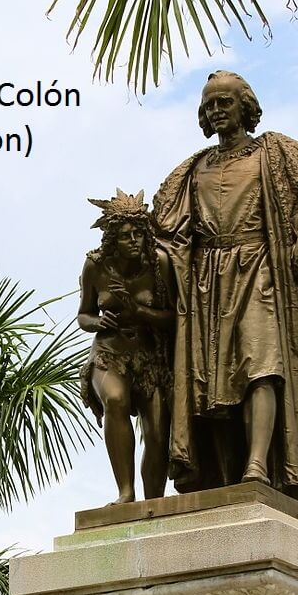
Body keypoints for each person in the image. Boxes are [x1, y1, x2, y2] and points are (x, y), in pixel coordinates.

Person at [152, 71, 298, 510]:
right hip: (206, 281)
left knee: (262, 364)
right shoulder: (192, 170)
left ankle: (257, 465)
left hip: (260, 269)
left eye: (225, 103)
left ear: (244, 107)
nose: (217, 111)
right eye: (210, 104)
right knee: (211, 385)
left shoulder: (275, 152)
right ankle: (224, 471)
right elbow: (165, 232)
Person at [78, 189, 175, 504]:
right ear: (111, 239)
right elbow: (85, 313)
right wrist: (97, 323)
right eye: (124, 235)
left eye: (137, 233)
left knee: (158, 431)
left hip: (150, 356)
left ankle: (154, 500)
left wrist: (140, 312)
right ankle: (125, 492)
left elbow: (176, 317)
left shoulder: (158, 263)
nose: (133, 240)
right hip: (109, 352)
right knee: (116, 400)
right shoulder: (96, 266)